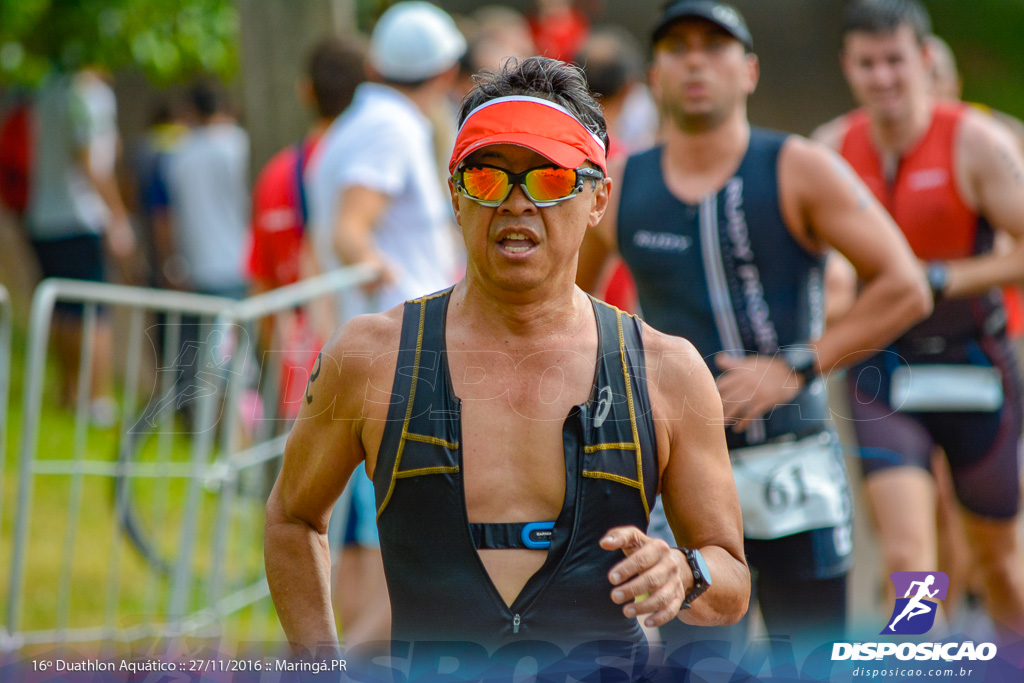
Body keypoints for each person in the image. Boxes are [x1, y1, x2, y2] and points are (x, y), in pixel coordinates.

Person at [266, 56, 750, 664]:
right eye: (488, 178)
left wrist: (685, 572)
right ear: (455, 197)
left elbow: (731, 578)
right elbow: (292, 517)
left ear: (597, 198)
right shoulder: (372, 356)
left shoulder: (666, 370)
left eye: (548, 179)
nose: (517, 202)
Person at [576, 0, 932, 647]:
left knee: (809, 660)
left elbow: (905, 286)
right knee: (698, 664)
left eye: (713, 46)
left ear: (750, 71)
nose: (694, 61)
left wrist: (796, 364)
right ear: (654, 75)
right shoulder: (621, 184)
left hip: (794, 463)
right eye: (677, 47)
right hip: (684, 477)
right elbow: (566, 305)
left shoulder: (798, 166)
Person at [813, 0, 1024, 642]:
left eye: (895, 60)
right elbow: (827, 263)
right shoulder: (831, 149)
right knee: (911, 563)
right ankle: (915, 659)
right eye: (867, 63)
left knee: (1001, 567)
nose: (883, 78)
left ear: (924, 59)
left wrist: (940, 280)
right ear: (848, 67)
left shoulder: (977, 142)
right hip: (884, 368)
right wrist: (838, 301)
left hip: (973, 360)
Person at [303, 2, 467, 648]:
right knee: (420, 567)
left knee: (366, 550)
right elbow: (350, 231)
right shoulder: (393, 129)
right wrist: (390, 287)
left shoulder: (358, 122)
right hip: (407, 366)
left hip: (384, 362)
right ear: (447, 67)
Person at [246, 38, 365, 421]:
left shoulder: (277, 175)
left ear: (305, 92)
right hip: (381, 358)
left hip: (303, 366)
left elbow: (262, 285)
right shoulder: (377, 168)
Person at [25, 67, 136, 426]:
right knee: (92, 313)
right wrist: (119, 218)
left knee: (60, 310)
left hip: (42, 215)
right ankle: (97, 400)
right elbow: (90, 160)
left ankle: (68, 393)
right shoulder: (90, 94)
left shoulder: (47, 86)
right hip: (80, 217)